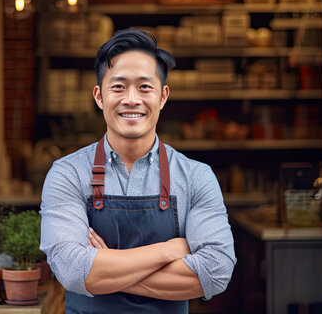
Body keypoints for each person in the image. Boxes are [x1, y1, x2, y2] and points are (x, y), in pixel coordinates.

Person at [40, 28, 236, 313]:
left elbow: (216, 272)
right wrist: (168, 250)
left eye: (145, 87)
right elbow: (71, 271)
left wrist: (102, 268)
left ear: (163, 96)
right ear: (99, 96)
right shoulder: (67, 174)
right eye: (118, 87)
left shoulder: (196, 176)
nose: (132, 99)